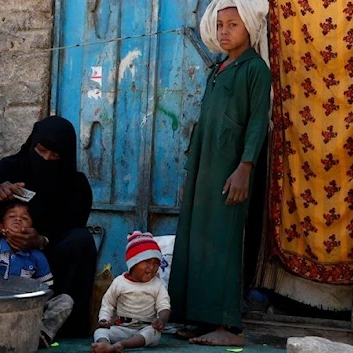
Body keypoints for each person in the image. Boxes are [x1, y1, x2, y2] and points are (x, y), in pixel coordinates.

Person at [168, 0, 271, 346]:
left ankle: (228, 325)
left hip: (231, 169)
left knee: (225, 242)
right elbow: (205, 125)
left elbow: (257, 121)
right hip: (204, 167)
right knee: (199, 241)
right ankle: (201, 318)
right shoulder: (219, 67)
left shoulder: (255, 69)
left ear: (250, 29)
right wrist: (190, 175)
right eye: (221, 25)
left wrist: (245, 167)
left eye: (233, 25)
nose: (224, 32)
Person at [0, 115, 96, 337]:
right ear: (32, 144)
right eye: (41, 151)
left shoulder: (76, 186)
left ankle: (62, 330)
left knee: (82, 242)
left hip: (47, 257)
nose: (46, 159)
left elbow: (72, 226)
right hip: (1, 252)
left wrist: (40, 240)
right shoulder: (9, 168)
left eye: (55, 155)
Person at [0, 201, 74, 348]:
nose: (18, 219)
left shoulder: (37, 257)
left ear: (32, 230)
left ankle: (41, 335)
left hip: (27, 309)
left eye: (24, 218)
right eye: (12, 216)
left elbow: (47, 290)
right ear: (1, 227)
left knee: (65, 301)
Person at [91, 231, 171, 353]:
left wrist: (162, 320)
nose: (152, 267)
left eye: (156, 263)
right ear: (133, 263)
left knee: (154, 334)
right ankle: (104, 345)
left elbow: (164, 306)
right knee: (100, 332)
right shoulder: (119, 282)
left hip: (145, 328)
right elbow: (108, 303)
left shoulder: (157, 284)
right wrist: (104, 319)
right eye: (147, 262)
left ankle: (122, 345)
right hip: (122, 329)